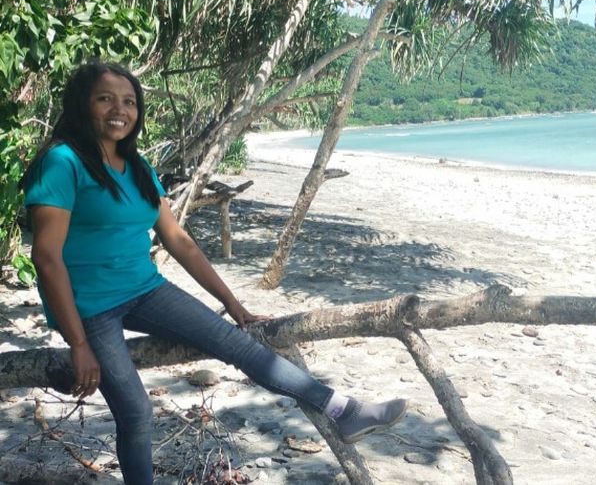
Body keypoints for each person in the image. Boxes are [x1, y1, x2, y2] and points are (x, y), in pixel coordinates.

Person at [20, 60, 407, 484]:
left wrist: (233, 304)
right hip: (88, 307)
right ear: (83, 104)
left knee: (237, 344)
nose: (120, 109)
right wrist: (78, 343)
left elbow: (178, 240)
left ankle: (343, 410)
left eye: (129, 101)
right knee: (136, 411)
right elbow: (47, 257)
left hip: (145, 289)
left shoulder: (137, 165)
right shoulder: (63, 162)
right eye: (105, 99)